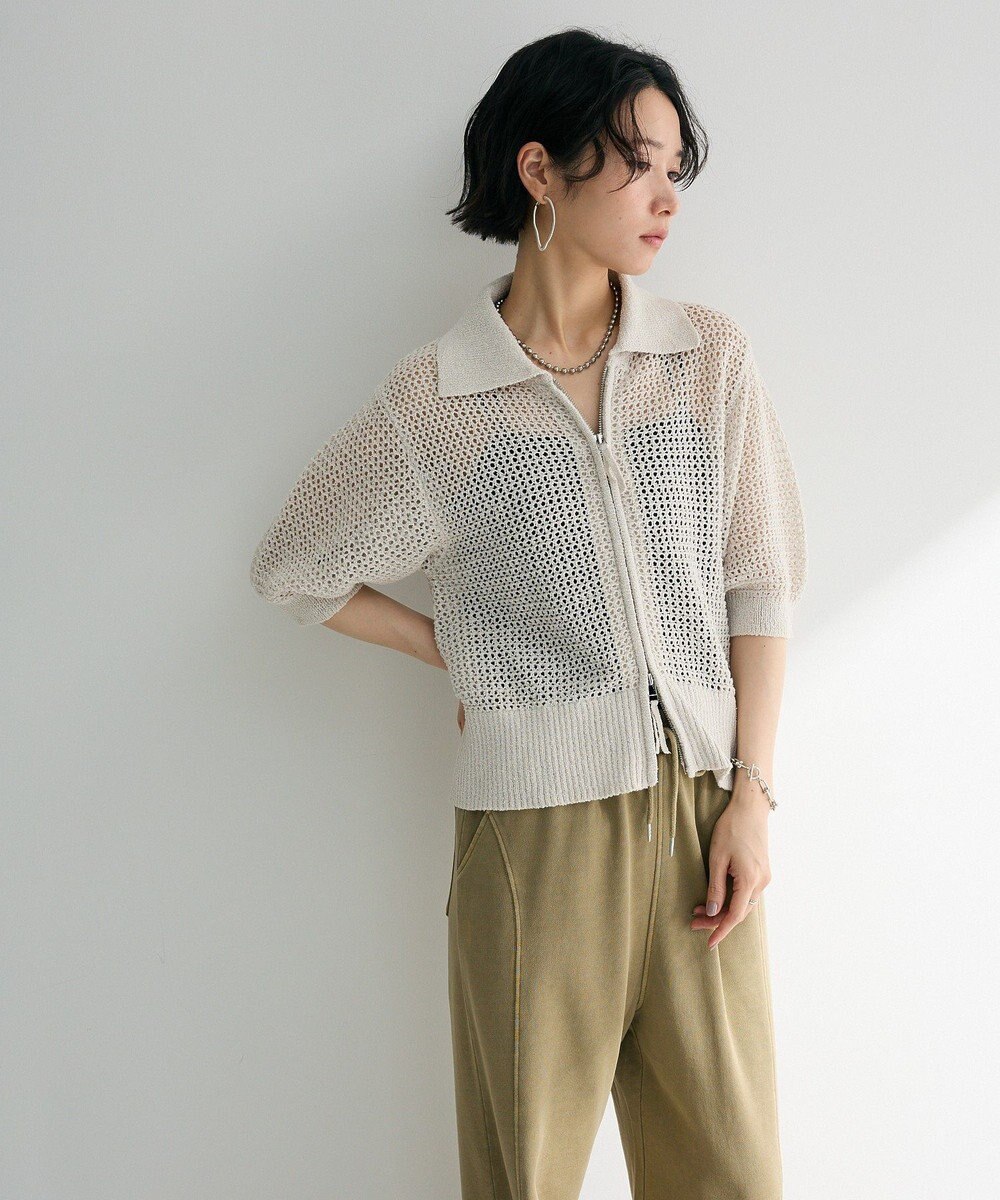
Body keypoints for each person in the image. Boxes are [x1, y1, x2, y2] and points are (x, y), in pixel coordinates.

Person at [250, 27, 807, 1200]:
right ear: (539, 169)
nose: (665, 197)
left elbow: (758, 582)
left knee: (734, 1177)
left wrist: (751, 798)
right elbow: (295, 569)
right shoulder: (440, 399)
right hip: (534, 846)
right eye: (637, 164)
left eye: (674, 170)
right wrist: (458, 653)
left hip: (703, 826)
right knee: (526, 1179)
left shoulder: (703, 359)